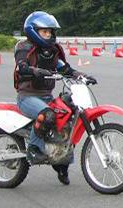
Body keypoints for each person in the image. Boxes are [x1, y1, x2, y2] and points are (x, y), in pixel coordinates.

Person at [14, 11, 96, 185]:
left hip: (46, 96)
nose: (49, 35)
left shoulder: (51, 51)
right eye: (44, 31)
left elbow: (65, 69)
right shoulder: (24, 47)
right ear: (33, 31)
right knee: (48, 114)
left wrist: (82, 75)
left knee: (68, 118)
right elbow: (21, 67)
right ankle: (34, 148)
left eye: (50, 32)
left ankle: (62, 162)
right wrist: (35, 71)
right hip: (27, 97)